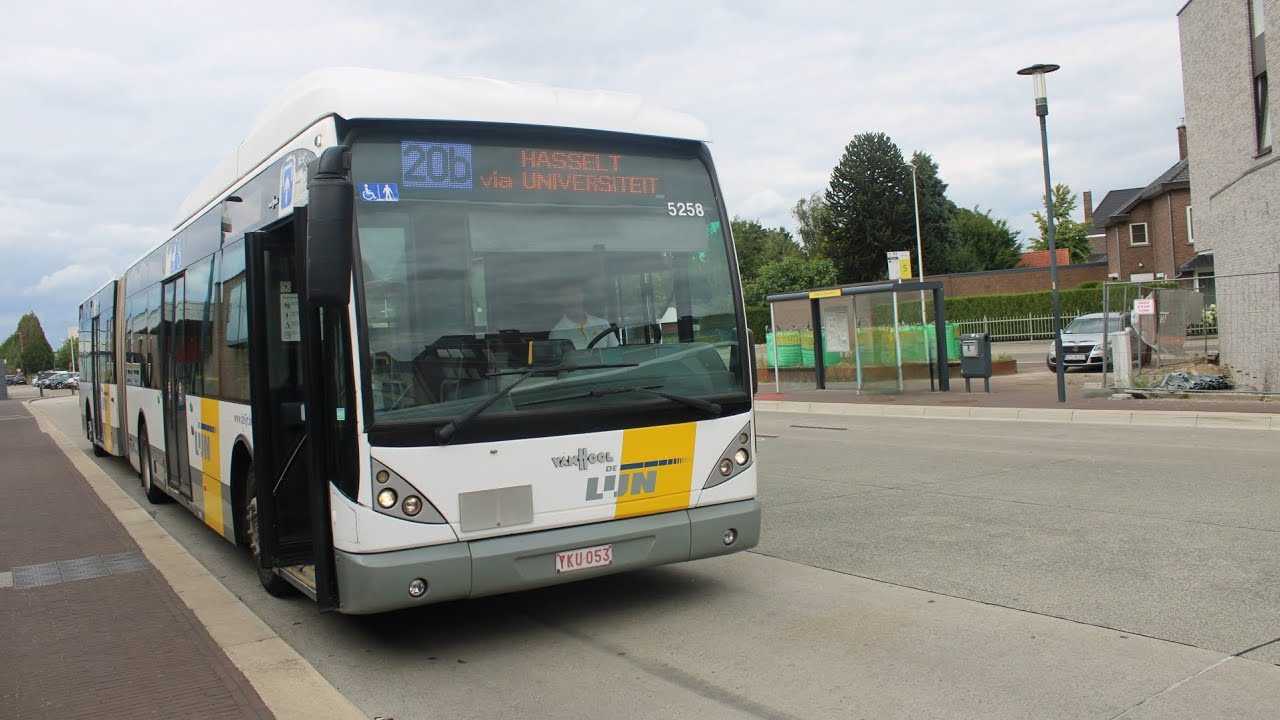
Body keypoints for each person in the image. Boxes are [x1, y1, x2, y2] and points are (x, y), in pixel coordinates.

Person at [548, 281, 619, 349]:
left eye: (574, 294)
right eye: (565, 296)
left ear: (582, 296)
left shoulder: (603, 324)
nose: (571, 299)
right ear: (560, 300)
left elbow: (616, 354)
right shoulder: (556, 333)